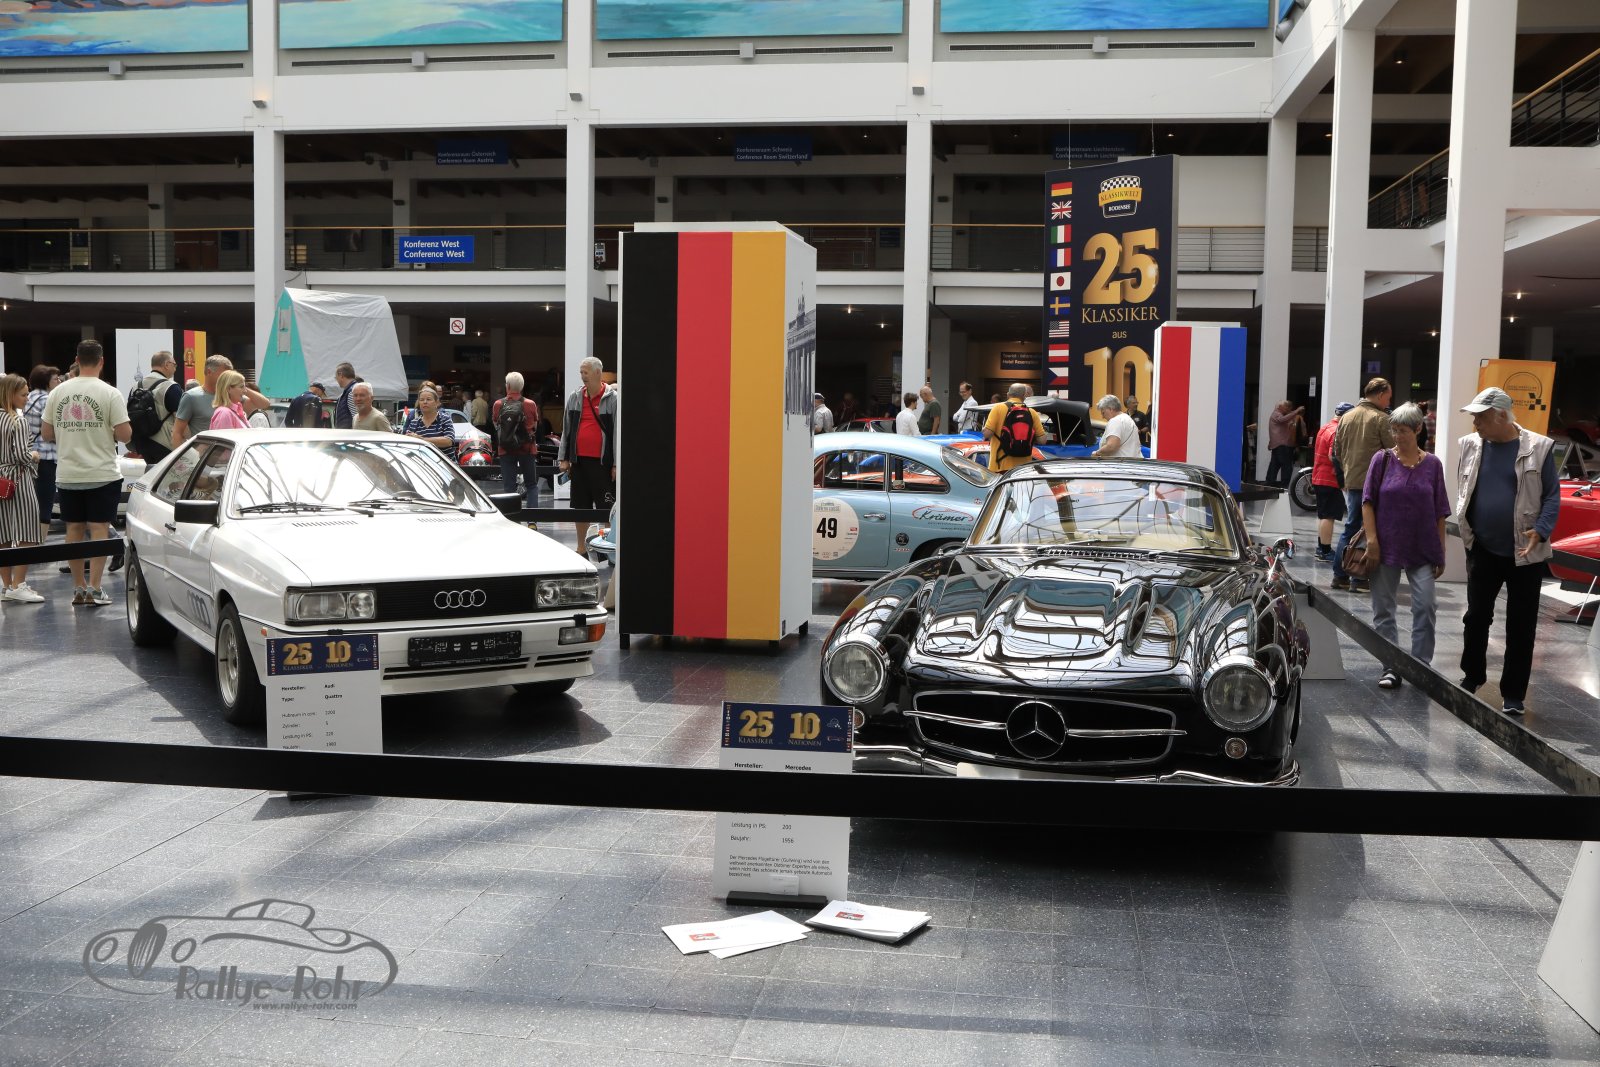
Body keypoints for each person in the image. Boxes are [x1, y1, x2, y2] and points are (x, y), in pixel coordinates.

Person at [1453, 386, 1560, 716]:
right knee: (1476, 617)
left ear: (1501, 415)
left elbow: (1551, 496)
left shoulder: (1538, 447)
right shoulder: (1470, 445)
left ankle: (1513, 693)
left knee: (1521, 625)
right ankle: (1472, 676)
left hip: (1525, 552)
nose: (1475, 424)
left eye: (1480, 418)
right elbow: (1465, 489)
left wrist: (1541, 530)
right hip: (1482, 548)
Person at [1361, 403, 1450, 690]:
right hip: (1385, 545)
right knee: (1383, 609)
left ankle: (1420, 665)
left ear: (1418, 429)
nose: (1397, 436)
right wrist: (1372, 541)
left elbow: (1440, 511)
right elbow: (1367, 502)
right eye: (1394, 430)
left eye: (1403, 431)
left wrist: (1441, 551)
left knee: (1426, 605)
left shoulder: (1433, 465)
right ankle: (1391, 666)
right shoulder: (1382, 459)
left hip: (1422, 546)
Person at [42, 340, 130, 608]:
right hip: (102, 472)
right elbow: (125, 434)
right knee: (99, 529)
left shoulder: (58, 392)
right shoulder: (110, 393)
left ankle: (78, 588)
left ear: (77, 360)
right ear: (102, 361)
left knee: (74, 529)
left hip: (68, 473)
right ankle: (96, 588)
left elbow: (46, 434)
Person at [1331, 377, 1395, 593]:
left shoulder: (1346, 417)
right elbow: (1393, 451)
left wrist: (1347, 472)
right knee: (1368, 529)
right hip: (1375, 483)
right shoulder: (1381, 419)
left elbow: (1336, 451)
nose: (1388, 401)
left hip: (1353, 480)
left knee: (1351, 527)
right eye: (1388, 397)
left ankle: (1340, 575)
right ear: (1380, 395)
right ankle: (1358, 578)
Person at [558, 356, 617, 557]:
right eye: (581, 372)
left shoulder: (613, 399)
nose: (583, 376)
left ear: (598, 373)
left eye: (586, 372)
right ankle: (581, 548)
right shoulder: (575, 397)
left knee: (606, 507)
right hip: (579, 462)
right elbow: (567, 429)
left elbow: (617, 434)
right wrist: (564, 457)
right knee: (580, 507)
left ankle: (609, 550)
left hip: (602, 463)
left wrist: (616, 464)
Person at [0, 373, 44, 604]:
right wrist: (33, 455)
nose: (27, 398)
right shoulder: (17, 421)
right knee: (28, 530)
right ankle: (19, 584)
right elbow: (20, 455)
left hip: (1, 480)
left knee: (3, 532)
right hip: (18, 479)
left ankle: (6, 586)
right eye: (24, 394)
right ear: (10, 394)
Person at [173, 355, 267, 445]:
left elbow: (264, 404)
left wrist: (241, 386)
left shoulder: (233, 398)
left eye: (230, 376)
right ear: (209, 372)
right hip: (205, 454)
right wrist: (184, 456)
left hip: (223, 452)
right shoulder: (191, 397)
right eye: (224, 375)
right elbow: (177, 433)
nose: (228, 378)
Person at [1311, 402, 1354, 561]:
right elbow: (1333, 455)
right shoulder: (1337, 431)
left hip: (1319, 476)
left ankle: (1321, 547)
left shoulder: (1325, 427)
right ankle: (1325, 550)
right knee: (1328, 516)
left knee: (1323, 515)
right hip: (1330, 478)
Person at [23, 365, 57, 546]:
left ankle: (28, 538)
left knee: (31, 498)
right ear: (46, 381)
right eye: (55, 379)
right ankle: (39, 542)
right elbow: (52, 431)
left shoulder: (26, 398)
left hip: (29, 453)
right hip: (47, 455)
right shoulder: (48, 399)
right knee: (46, 499)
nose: (58, 381)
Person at [129, 350, 184, 463]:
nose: (175, 368)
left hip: (141, 442)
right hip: (165, 444)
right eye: (174, 365)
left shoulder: (135, 386)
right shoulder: (171, 387)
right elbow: (179, 419)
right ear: (167, 364)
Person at [494, 371, 540, 508]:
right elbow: (535, 426)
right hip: (527, 448)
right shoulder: (530, 404)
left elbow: (496, 425)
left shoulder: (498, 404)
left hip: (506, 449)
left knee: (509, 487)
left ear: (507, 386)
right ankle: (532, 517)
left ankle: (512, 517)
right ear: (522, 386)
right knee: (531, 485)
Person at [983, 383, 1046, 473]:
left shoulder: (998, 408)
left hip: (1000, 466)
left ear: (1008, 394)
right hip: (1022, 469)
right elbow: (1042, 440)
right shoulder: (1032, 412)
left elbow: (987, 434)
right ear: (1024, 395)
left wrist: (984, 430)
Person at [401, 384, 456, 452]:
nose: (425, 402)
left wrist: (421, 440)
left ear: (437, 403)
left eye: (428, 399)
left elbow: (448, 441)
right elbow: (408, 442)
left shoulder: (445, 419)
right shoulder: (414, 423)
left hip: (442, 459)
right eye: (422, 400)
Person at [1265, 400, 1305, 488]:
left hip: (1277, 444)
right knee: (1286, 465)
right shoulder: (1277, 414)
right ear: (1280, 406)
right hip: (1283, 445)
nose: (1288, 409)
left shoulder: (1276, 414)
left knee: (1274, 464)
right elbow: (1282, 420)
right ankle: (1284, 484)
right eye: (1286, 407)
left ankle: (1270, 482)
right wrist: (1296, 411)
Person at [1092, 395, 1143, 459]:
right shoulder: (1128, 419)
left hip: (1121, 463)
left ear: (1110, 409)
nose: (1103, 417)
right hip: (1133, 462)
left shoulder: (1115, 421)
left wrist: (1097, 453)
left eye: (1103, 413)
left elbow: (1111, 446)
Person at [332, 362, 361, 430]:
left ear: (341, 375)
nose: (336, 380)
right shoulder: (350, 391)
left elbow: (357, 418)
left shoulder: (352, 392)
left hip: (349, 435)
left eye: (336, 377)